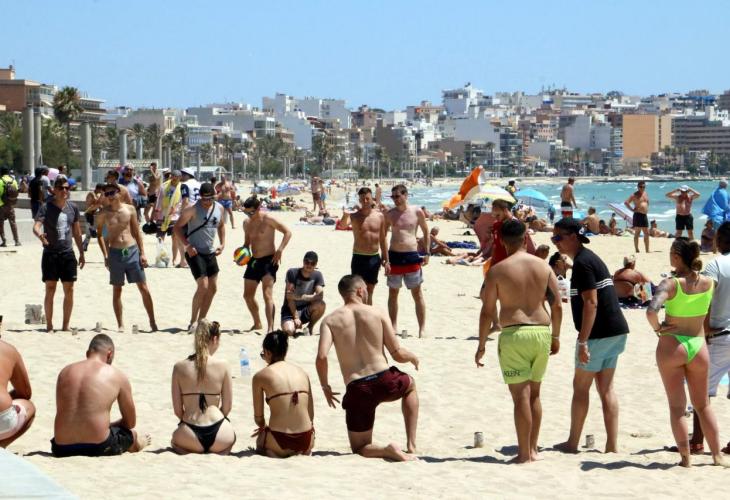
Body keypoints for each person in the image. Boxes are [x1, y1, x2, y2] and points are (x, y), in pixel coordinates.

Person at [476, 220, 562, 463]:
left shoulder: (497, 270)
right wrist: (556, 336)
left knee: (520, 397)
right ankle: (533, 449)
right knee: (535, 394)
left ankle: (524, 455)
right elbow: (556, 305)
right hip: (541, 331)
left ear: (502, 241)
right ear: (525, 239)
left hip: (514, 334)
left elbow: (487, 311)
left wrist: (481, 344)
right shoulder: (543, 267)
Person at [316, 274, 419, 461]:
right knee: (410, 386)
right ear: (359, 290)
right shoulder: (377, 312)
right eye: (365, 289)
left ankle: (387, 450)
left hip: (358, 388)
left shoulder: (329, 321)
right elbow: (397, 353)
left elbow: (322, 357)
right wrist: (412, 357)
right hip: (385, 380)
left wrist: (325, 386)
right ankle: (411, 444)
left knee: (360, 447)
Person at [646, 238, 729, 467]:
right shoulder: (708, 283)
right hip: (698, 345)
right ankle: (717, 456)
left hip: (673, 345)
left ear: (676, 256)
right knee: (703, 405)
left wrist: (658, 328)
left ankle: (686, 459)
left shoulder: (670, 284)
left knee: (677, 407)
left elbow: (651, 311)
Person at [552, 218, 629, 454]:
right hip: (616, 330)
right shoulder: (590, 258)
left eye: (558, 237)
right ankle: (611, 445)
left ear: (573, 236)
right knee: (606, 389)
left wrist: (583, 340)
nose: (555, 242)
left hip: (598, 334)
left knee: (581, 387)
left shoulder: (583, 263)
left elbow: (591, 303)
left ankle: (572, 442)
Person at [51, 334, 149, 457]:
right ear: (110, 354)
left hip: (61, 448)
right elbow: (130, 422)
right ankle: (138, 443)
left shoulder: (64, 372)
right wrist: (109, 425)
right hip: (99, 446)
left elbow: (69, 414)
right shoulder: (117, 375)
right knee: (130, 434)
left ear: (88, 353)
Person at [95, 183, 157, 332]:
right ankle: (120, 324)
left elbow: (136, 232)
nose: (109, 196)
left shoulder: (130, 209)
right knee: (117, 289)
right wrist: (105, 255)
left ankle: (152, 322)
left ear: (119, 193)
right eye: (106, 194)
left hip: (132, 251)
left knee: (143, 287)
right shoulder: (103, 213)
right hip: (115, 253)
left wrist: (142, 253)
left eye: (111, 193)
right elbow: (99, 234)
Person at [691, 222, 730, 454]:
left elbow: (704, 300)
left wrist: (703, 331)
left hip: (719, 334)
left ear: (720, 241)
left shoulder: (715, 265)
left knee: (702, 390)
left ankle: (697, 440)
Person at [171, 319, 235, 454]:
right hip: (219, 432)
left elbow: (178, 411)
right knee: (230, 441)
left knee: (175, 442)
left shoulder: (179, 367)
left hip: (190, 431)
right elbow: (227, 407)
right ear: (215, 339)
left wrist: (186, 423)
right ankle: (220, 451)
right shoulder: (223, 366)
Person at [33, 176, 86, 332]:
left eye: (67, 188)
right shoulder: (46, 207)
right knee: (50, 289)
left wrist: (81, 252)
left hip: (68, 253)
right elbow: (36, 226)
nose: (64, 190)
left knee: (69, 289)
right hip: (50, 253)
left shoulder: (73, 208)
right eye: (61, 188)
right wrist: (40, 235)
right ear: (54, 190)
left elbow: (77, 232)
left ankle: (65, 325)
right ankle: (49, 325)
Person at [253, 331, 315, 457]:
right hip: (306, 439)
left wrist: (263, 427)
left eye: (263, 354)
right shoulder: (303, 373)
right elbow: (311, 415)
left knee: (260, 440)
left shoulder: (260, 376)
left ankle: (273, 452)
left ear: (268, 352)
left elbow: (259, 419)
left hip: (279, 439)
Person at [174, 183, 226, 330]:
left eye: (210, 199)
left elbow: (221, 225)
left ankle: (201, 320)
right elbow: (177, 228)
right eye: (204, 199)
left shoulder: (219, 208)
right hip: (194, 252)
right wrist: (187, 246)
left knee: (213, 288)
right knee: (203, 286)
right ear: (200, 197)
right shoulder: (192, 209)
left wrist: (222, 244)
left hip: (210, 252)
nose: (207, 202)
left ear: (214, 196)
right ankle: (192, 321)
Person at [385, 184, 430, 338]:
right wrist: (385, 258)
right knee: (393, 292)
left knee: (417, 293)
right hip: (394, 256)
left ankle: (422, 329)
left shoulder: (417, 212)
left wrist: (427, 252)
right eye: (393, 197)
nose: (395, 199)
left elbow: (426, 231)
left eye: (397, 196)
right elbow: (383, 236)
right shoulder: (390, 214)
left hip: (412, 256)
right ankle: (393, 326)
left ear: (405, 195)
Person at [242, 195, 292, 332]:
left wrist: (280, 250)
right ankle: (257, 323)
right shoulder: (246, 223)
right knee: (247, 296)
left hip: (269, 260)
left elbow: (287, 232)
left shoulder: (268, 219)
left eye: (251, 212)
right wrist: (242, 254)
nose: (249, 215)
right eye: (246, 212)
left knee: (267, 294)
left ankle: (270, 328)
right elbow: (247, 243)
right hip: (253, 261)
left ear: (258, 208)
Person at [347, 187, 389, 304]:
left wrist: (386, 259)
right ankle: (359, 312)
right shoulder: (354, 216)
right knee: (358, 290)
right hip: (358, 256)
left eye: (367, 199)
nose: (365, 201)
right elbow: (343, 225)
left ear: (372, 199)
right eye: (362, 199)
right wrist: (345, 215)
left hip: (374, 257)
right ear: (359, 200)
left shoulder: (380, 216)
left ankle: (368, 312)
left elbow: (383, 239)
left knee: (370, 290)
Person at [0, 339, 35, 448]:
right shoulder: (8, 350)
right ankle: (1, 447)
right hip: (2, 419)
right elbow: (25, 393)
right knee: (29, 406)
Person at [281, 251, 326, 336]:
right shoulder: (292, 273)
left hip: (305, 309)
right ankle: (292, 324)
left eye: (312, 263)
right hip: (289, 310)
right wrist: (296, 317)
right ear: (303, 261)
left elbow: (320, 296)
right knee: (289, 331)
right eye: (307, 262)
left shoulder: (317, 275)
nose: (309, 265)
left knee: (321, 304)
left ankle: (309, 327)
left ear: (316, 264)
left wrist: (302, 297)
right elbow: (289, 297)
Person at [154, 170, 184, 266]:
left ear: (180, 178)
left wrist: (177, 209)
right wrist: (156, 212)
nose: (174, 178)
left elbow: (183, 201)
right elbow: (159, 200)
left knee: (175, 238)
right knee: (160, 237)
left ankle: (174, 259)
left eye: (177, 177)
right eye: (173, 176)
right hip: (162, 215)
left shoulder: (182, 187)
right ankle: (161, 258)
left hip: (175, 216)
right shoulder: (164, 186)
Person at [624, 180, 650, 253]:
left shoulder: (645, 194)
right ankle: (637, 249)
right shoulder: (634, 195)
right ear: (638, 187)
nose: (642, 188)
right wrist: (632, 209)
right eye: (641, 187)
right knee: (637, 233)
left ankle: (647, 250)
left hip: (644, 215)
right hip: (638, 215)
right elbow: (626, 202)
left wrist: (646, 208)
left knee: (647, 233)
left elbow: (647, 202)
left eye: (644, 187)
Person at [0, 167, 20, 247]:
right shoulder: (13, 180)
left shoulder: (0, 181)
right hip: (11, 205)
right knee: (13, 223)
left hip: (1, 206)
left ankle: (4, 241)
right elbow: (16, 192)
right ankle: (17, 241)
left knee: (1, 224)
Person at [82, 183, 105, 251]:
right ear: (99, 189)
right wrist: (102, 196)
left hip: (91, 215)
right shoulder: (91, 193)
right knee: (90, 232)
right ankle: (84, 246)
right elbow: (97, 201)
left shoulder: (96, 195)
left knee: (88, 234)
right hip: (87, 214)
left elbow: (99, 205)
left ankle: (84, 246)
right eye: (102, 190)